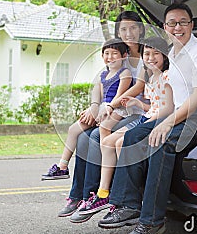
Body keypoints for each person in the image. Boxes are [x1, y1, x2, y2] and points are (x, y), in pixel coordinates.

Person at [97, 3, 197, 234]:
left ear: (191, 25)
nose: (177, 27)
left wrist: (167, 123)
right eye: (171, 23)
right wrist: (157, 118)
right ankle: (128, 205)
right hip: (175, 115)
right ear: (165, 27)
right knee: (133, 135)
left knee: (159, 143)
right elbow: (170, 94)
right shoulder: (172, 53)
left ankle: (153, 221)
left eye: (182, 22)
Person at [56, 11, 147, 223]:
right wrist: (94, 107)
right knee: (82, 135)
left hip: (135, 112)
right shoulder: (115, 54)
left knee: (97, 135)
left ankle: (97, 195)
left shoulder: (147, 55)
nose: (128, 33)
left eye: (133, 27)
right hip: (112, 111)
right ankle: (78, 196)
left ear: (141, 29)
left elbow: (136, 90)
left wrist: (109, 105)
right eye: (123, 29)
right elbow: (100, 85)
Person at [76, 37, 175, 216]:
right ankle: (104, 193)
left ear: (165, 56)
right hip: (145, 117)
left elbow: (168, 108)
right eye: (147, 54)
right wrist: (136, 104)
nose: (151, 58)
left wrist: (151, 118)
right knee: (106, 142)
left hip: (153, 121)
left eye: (156, 54)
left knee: (121, 143)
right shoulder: (150, 77)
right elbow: (151, 106)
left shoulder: (167, 77)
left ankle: (130, 191)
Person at [41, 38, 132, 180]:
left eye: (114, 53)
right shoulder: (103, 75)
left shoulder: (124, 73)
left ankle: (105, 163)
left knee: (104, 127)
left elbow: (120, 96)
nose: (110, 57)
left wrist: (107, 109)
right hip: (103, 107)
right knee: (73, 129)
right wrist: (94, 110)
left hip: (117, 108)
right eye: (106, 53)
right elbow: (100, 96)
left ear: (124, 55)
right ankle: (62, 166)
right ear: (102, 56)